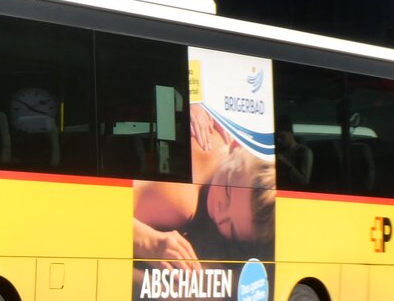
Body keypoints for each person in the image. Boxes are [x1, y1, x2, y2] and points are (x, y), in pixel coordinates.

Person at [132, 105, 275, 262]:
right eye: (227, 192)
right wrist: (148, 241)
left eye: (232, 228)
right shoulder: (181, 202)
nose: (219, 213)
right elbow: (104, 212)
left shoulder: (218, 119)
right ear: (237, 146)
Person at [275, 115, 313, 186]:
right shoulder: (277, 151)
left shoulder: (304, 152)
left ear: (290, 133)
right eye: (277, 137)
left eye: (282, 137)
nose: (279, 140)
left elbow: (304, 181)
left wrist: (286, 163)